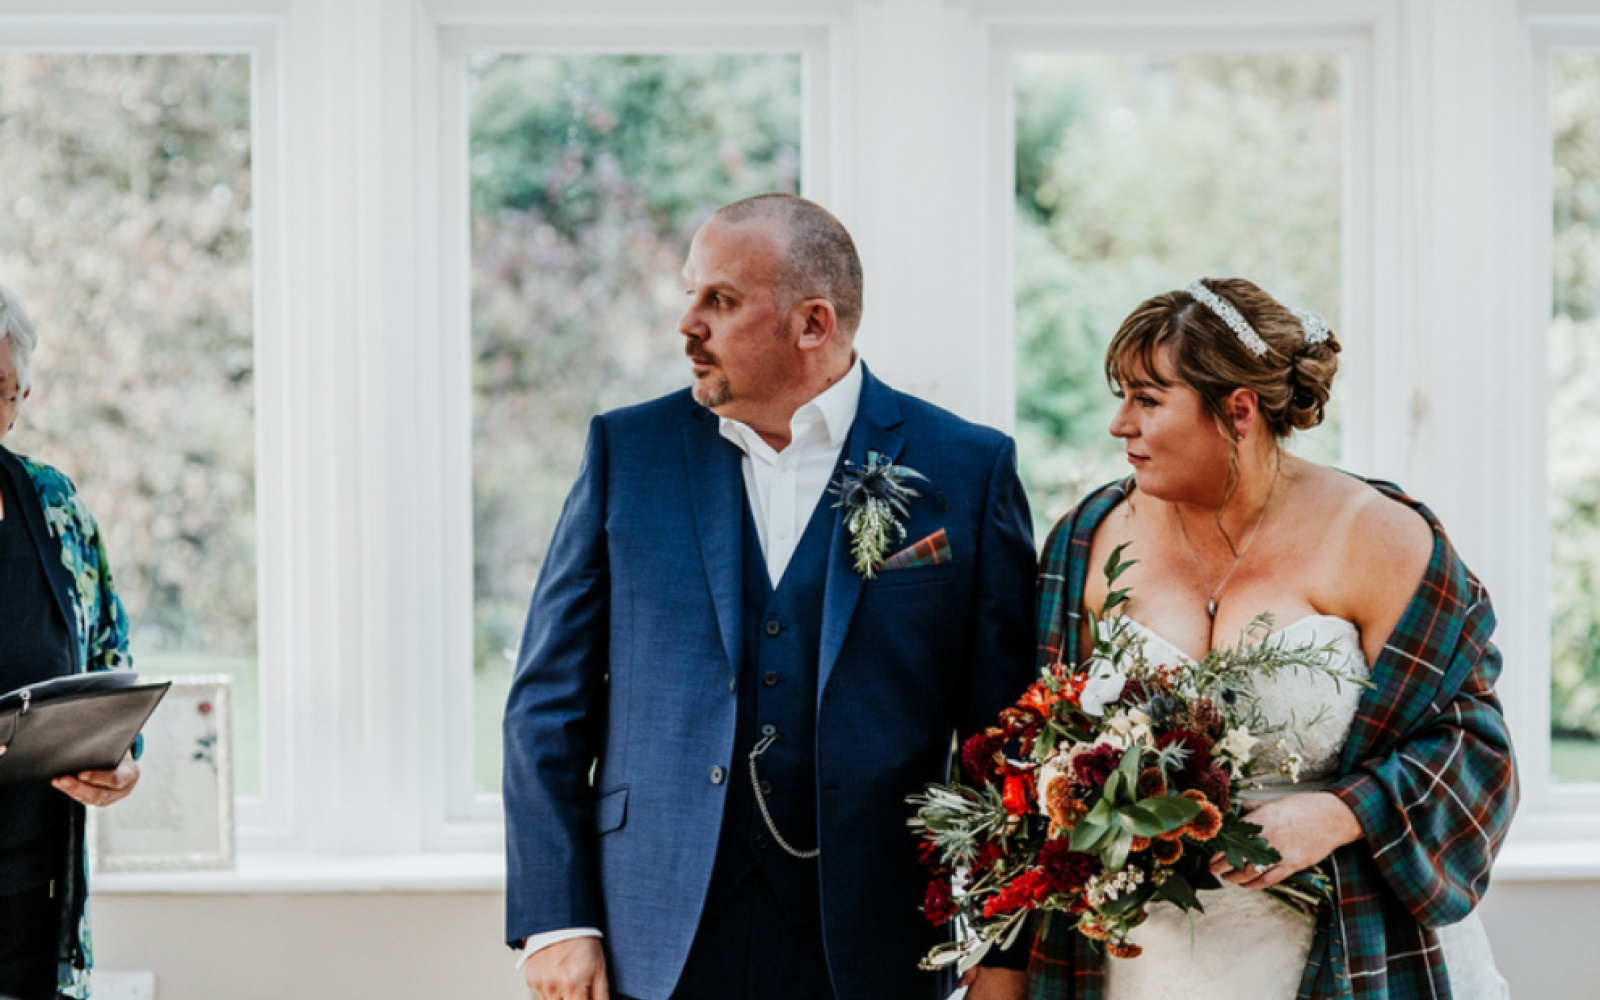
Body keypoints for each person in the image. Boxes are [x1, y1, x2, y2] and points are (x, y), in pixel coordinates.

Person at [502, 194, 1037, 1000]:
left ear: (813, 324)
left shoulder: (966, 468)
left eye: (719, 300)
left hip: (875, 940)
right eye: (690, 294)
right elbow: (548, 701)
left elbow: (1006, 737)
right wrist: (557, 919)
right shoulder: (628, 453)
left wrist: (1002, 955)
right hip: (653, 936)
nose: (688, 324)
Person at [1025, 278, 1517, 1000]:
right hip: (1136, 966)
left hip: (1342, 950)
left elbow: (1474, 745)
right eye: (1122, 395)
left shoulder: (1377, 535)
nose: (1118, 424)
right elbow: (1030, 739)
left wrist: (1342, 812)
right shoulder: (1087, 538)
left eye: (1148, 400)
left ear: (1239, 411)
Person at [0, 283, 141, 1000]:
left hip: (32, 910)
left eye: (1, 389)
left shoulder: (55, 506)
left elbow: (111, 658)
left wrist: (120, 758)